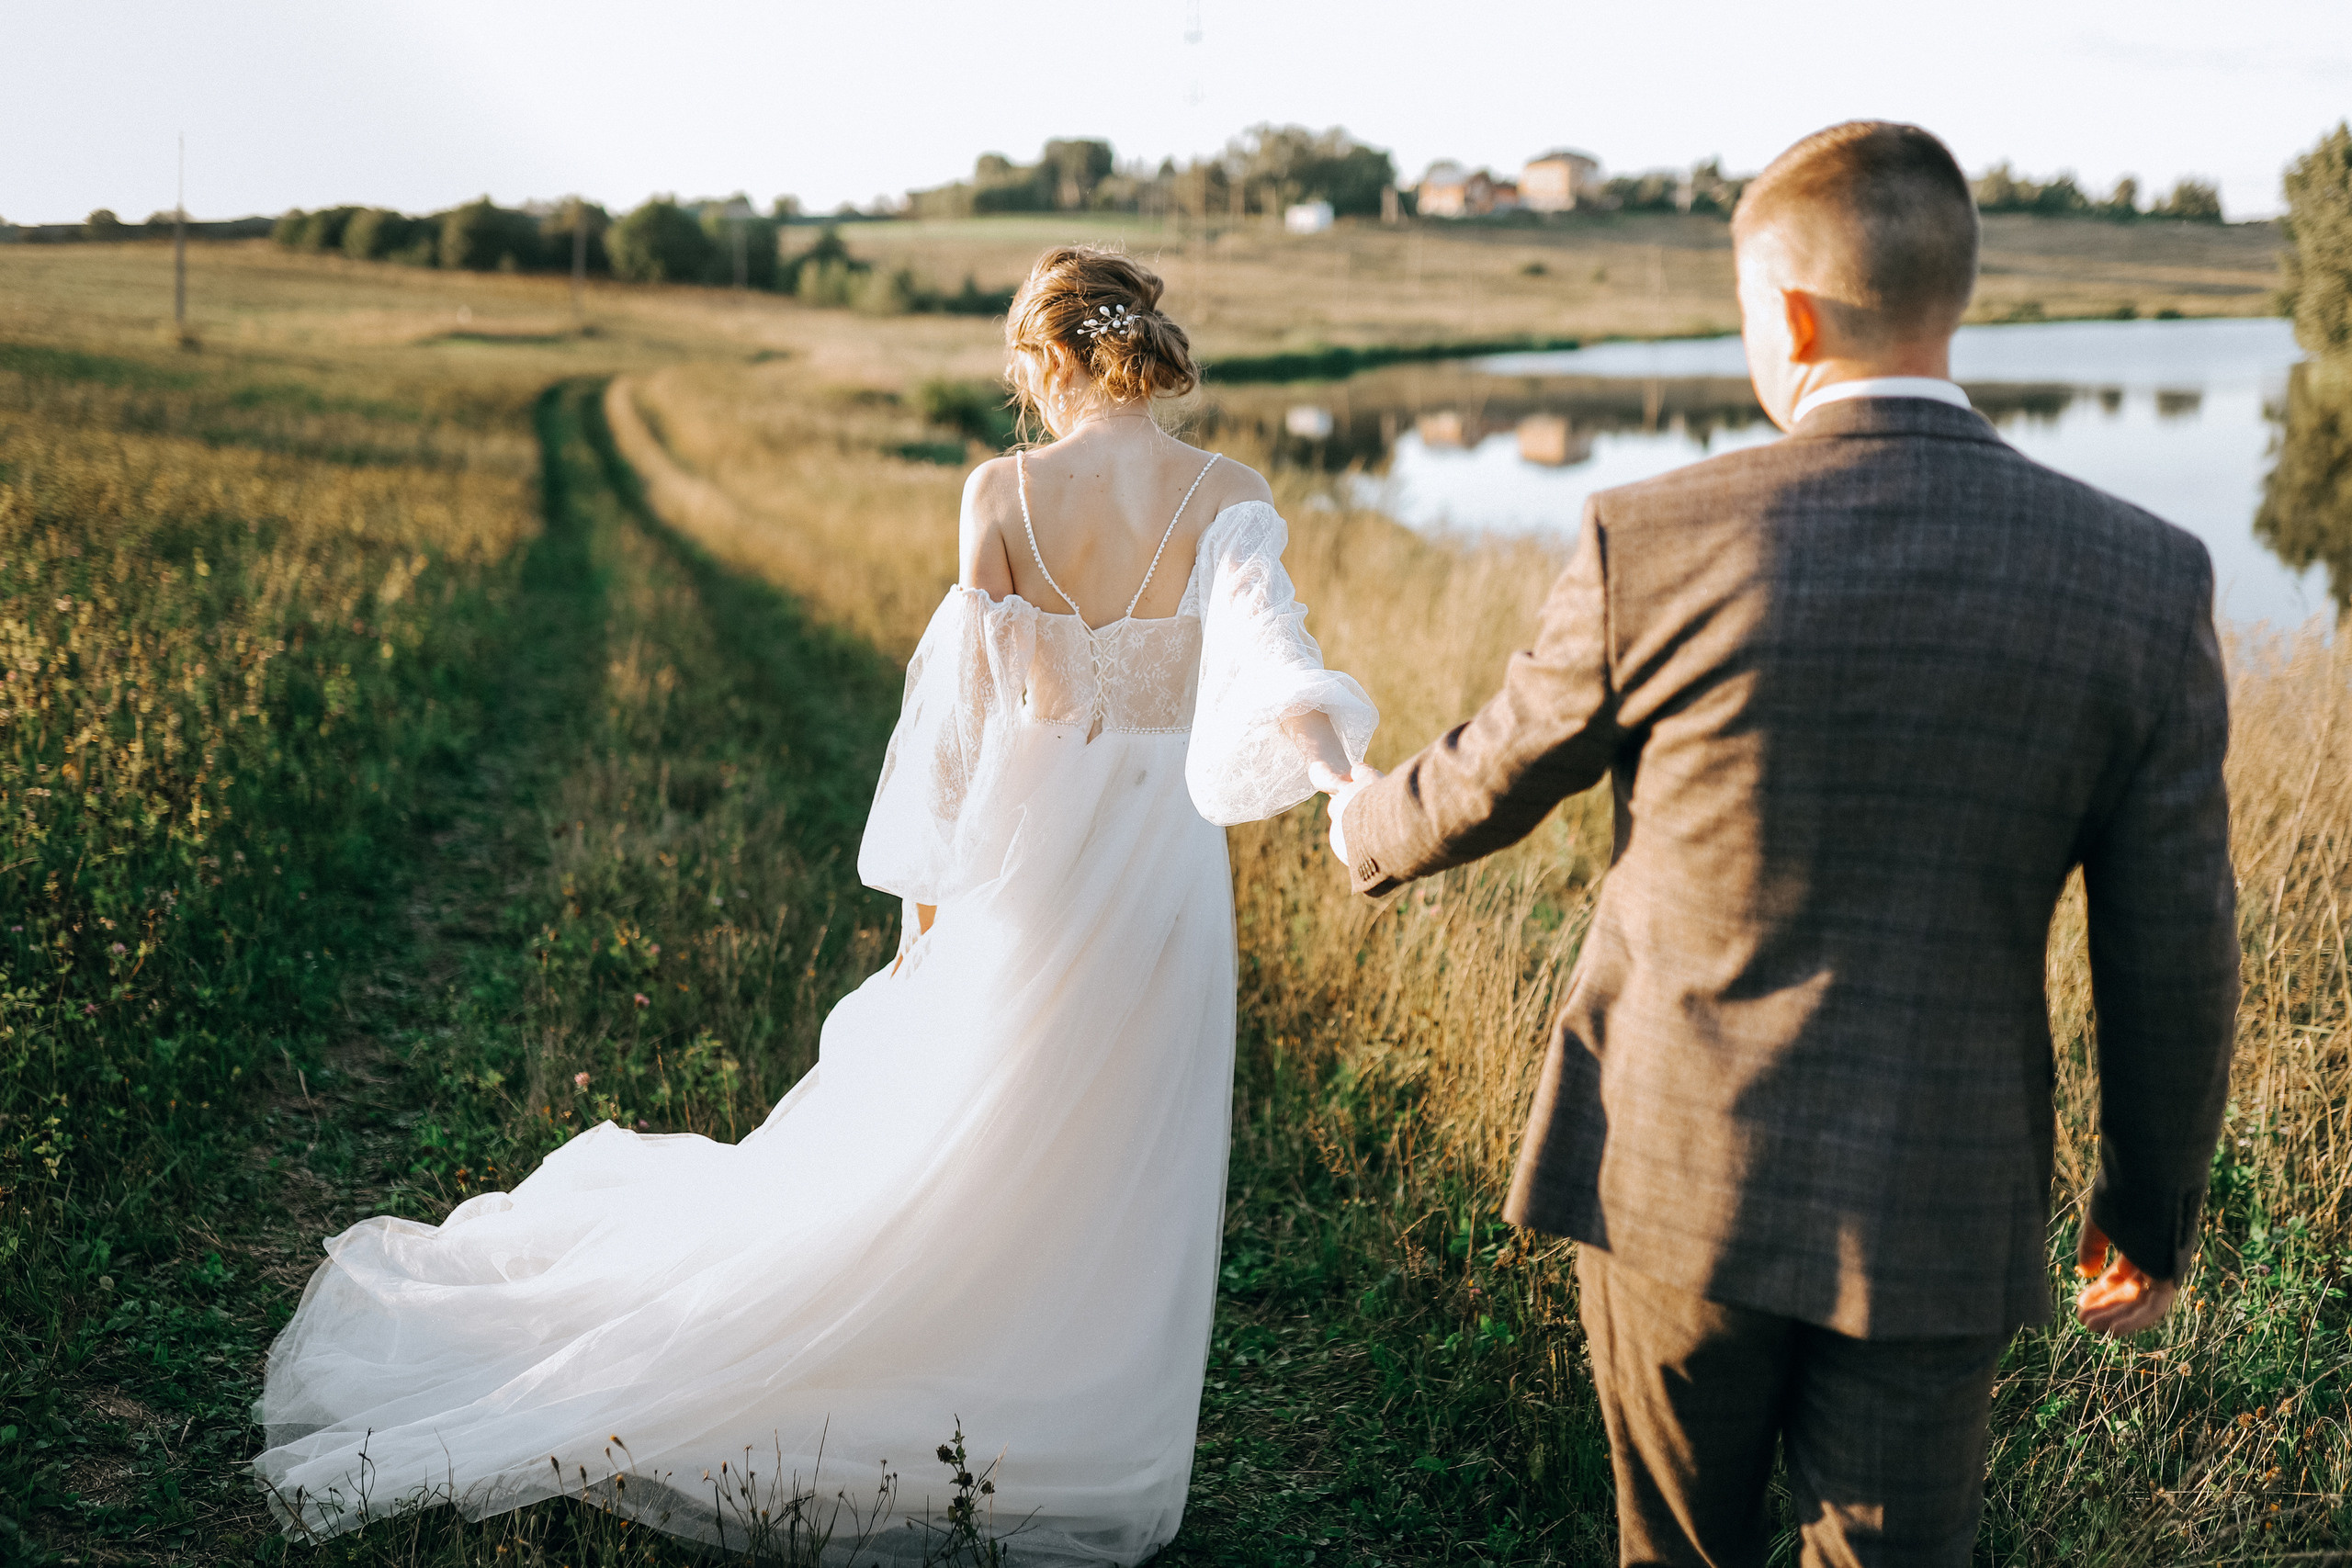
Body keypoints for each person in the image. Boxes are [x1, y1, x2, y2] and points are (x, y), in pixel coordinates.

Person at [253, 245, 1377, 1564]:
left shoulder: (1002, 492)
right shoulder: (1230, 493)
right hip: (1163, 872)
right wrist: (1348, 789)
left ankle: (982, 1398)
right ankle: (1085, 1439)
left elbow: (961, 729)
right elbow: (1276, 664)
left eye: (1021, 366)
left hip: (1034, 851)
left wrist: (925, 921)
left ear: (1046, 356)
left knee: (976, 1118)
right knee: (1128, 1145)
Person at [1313, 121, 2238, 1565]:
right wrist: (2149, 1217)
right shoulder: (2143, 579)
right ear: (1954, 297)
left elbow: (1492, 773)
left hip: (1670, 1169)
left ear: (1793, 315)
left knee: (1673, 1551)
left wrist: (1357, 825)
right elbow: (2175, 952)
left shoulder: (1657, 535)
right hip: (1935, 1202)